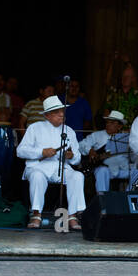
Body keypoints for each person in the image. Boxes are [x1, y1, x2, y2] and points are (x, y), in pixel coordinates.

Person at [17, 94, 85, 231]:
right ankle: (36, 214)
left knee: (78, 176)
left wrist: (71, 156)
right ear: (47, 115)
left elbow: (78, 158)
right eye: (56, 112)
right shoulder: (34, 128)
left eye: (62, 111)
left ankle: (72, 216)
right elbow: (20, 151)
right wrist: (41, 152)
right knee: (37, 176)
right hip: (38, 167)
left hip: (60, 168)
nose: (61, 115)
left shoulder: (69, 131)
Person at [80, 110, 130, 193]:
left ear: (119, 126)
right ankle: (102, 198)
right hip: (105, 169)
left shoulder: (126, 138)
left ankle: (129, 197)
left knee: (137, 172)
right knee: (102, 171)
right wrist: (90, 150)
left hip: (121, 169)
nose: (108, 125)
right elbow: (81, 144)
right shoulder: (97, 135)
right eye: (107, 122)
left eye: (112, 123)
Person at [103, 58, 138, 127]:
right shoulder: (113, 93)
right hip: (114, 131)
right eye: (124, 76)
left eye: (128, 77)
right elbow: (106, 111)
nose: (125, 78)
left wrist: (134, 128)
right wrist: (110, 124)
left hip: (130, 132)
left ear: (132, 79)